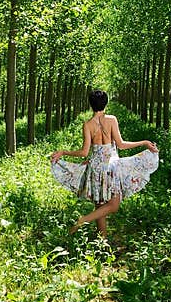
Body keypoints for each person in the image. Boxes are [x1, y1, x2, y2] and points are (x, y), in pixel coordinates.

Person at [50, 89, 159, 238]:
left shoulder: (87, 125)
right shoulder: (112, 119)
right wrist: (144, 142)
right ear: (106, 103)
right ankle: (84, 221)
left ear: (90, 105)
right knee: (113, 205)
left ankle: (103, 244)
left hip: (95, 167)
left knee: (100, 206)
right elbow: (120, 144)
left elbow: (84, 152)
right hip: (111, 167)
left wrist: (64, 152)